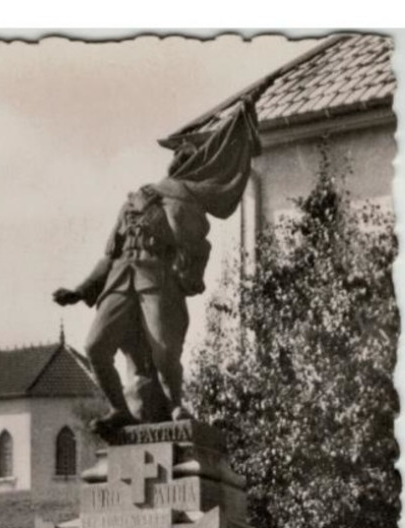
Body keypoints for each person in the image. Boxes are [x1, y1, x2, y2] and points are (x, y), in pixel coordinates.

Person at [55, 89, 267, 438]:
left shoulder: (185, 206)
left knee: (165, 351)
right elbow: (109, 254)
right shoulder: (135, 200)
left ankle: (176, 404)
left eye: (185, 162)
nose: (179, 166)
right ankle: (119, 411)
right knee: (95, 347)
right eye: (179, 161)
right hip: (120, 280)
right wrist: (80, 290)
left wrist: (169, 212)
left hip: (156, 280)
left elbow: (190, 243)